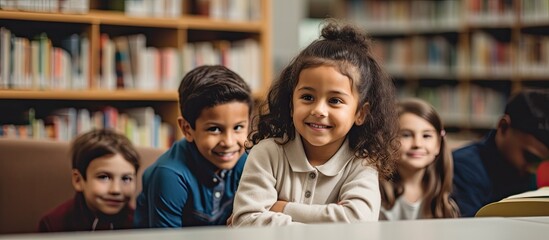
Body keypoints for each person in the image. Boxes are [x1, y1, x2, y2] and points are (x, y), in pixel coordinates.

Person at [230, 19, 400, 226]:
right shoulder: (267, 153)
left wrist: (282, 208)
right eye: (308, 97)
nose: (319, 110)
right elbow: (245, 221)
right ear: (291, 102)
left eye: (335, 101)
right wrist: (331, 219)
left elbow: (358, 222)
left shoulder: (361, 163)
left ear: (360, 113)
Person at [134, 65, 252, 228]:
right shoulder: (170, 176)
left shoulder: (248, 161)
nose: (229, 142)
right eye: (214, 129)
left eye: (238, 127)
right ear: (187, 129)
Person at [452, 89, 549, 217]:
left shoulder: (522, 166)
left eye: (541, 162)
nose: (534, 170)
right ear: (503, 127)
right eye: (529, 156)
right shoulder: (463, 167)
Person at [38, 129, 140, 232]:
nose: (116, 190)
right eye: (104, 177)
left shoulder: (140, 223)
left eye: (126, 178)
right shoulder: (53, 225)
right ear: (78, 180)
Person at [379, 98, 459, 220]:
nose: (418, 144)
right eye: (406, 135)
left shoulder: (444, 203)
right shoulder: (376, 196)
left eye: (426, 136)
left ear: (438, 144)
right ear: (388, 141)